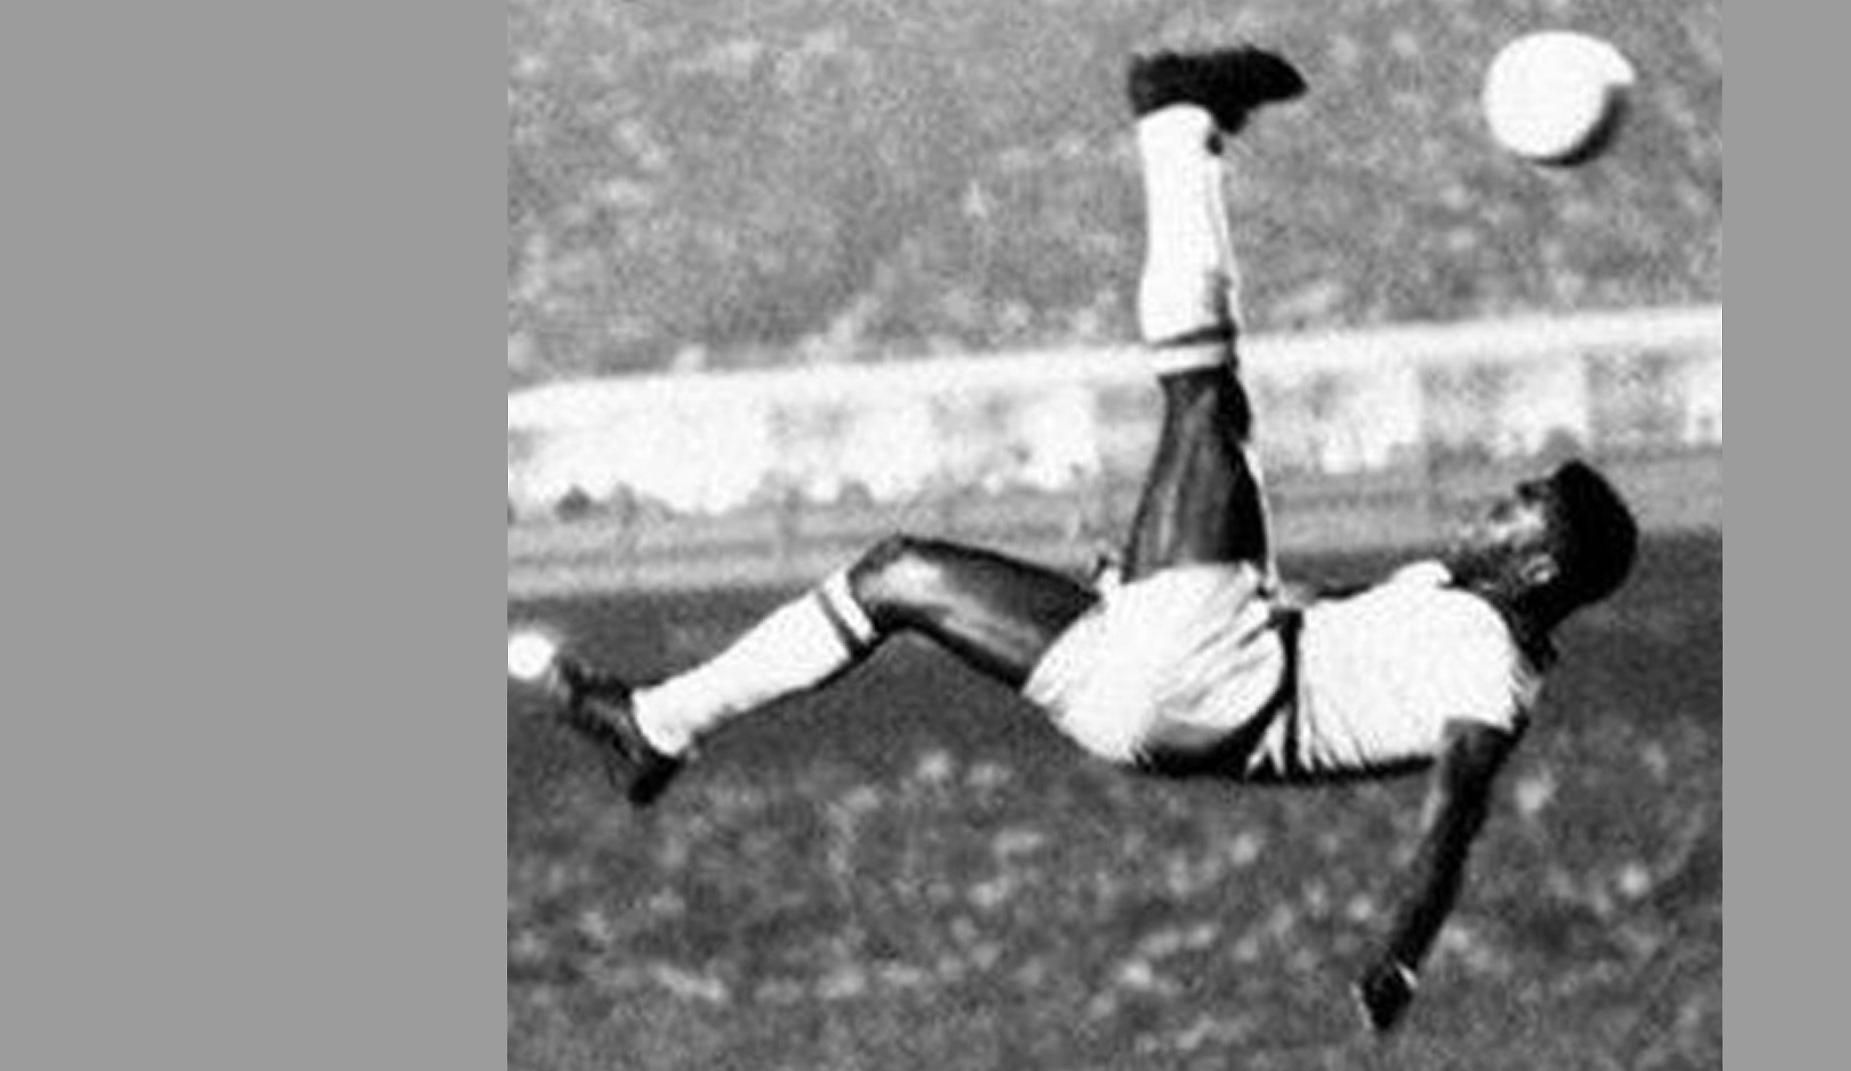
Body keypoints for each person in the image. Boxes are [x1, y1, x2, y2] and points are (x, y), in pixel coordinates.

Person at [534, 46, 1639, 1035]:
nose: (1493, 505)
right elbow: (1323, 622)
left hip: (1213, 679)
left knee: (1207, 399)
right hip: (1148, 694)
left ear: (1540, 564)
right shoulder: (1444, 600)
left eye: (1517, 505)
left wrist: (1401, 950)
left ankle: (1177, 122)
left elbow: (1455, 816)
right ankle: (658, 722)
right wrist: (1150, 584)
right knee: (895, 574)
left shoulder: (1493, 671)